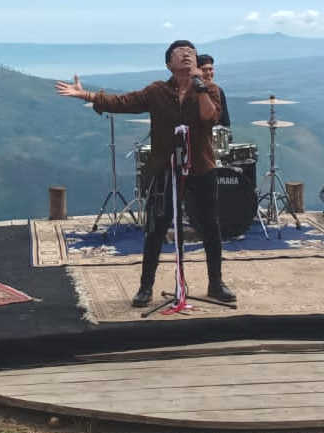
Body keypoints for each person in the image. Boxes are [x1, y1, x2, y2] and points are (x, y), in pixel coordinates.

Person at [55, 40, 236, 307]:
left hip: (201, 168)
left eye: (191, 53)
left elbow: (210, 117)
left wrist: (200, 87)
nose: (187, 55)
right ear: (169, 64)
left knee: (210, 226)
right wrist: (87, 95)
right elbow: (123, 102)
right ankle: (145, 287)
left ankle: (216, 283)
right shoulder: (157, 91)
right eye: (180, 53)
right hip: (165, 169)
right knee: (155, 228)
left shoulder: (210, 89)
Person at [197, 53, 231, 128]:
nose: (208, 73)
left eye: (210, 69)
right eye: (204, 70)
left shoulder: (219, 90)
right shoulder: (192, 92)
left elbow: (225, 121)